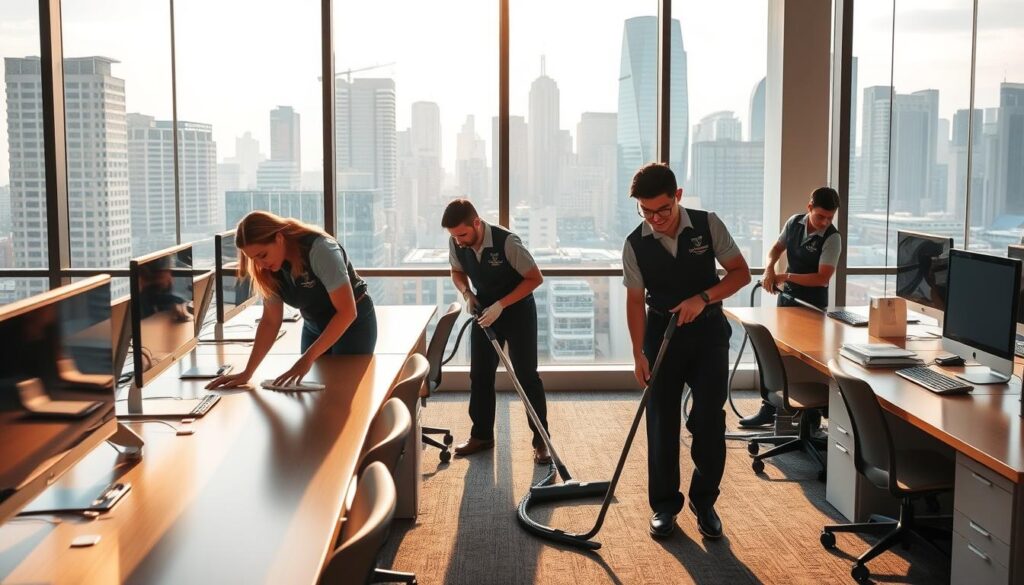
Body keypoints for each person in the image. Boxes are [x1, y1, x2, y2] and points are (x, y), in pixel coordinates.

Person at [622, 163, 751, 540]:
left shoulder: (708, 224)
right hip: (661, 333)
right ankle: (664, 505)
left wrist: (703, 297)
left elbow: (740, 273)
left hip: (708, 332)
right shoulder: (634, 243)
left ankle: (704, 501)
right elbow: (635, 301)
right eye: (646, 211)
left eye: (662, 209)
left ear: (677, 196)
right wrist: (637, 353)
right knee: (662, 420)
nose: (655, 219)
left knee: (708, 419)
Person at [207, 211, 376, 390]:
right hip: (314, 325)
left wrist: (307, 358)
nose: (260, 264)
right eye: (253, 259)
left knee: (343, 390)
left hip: (353, 325)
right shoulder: (267, 270)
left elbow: (347, 312)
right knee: (315, 395)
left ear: (279, 238)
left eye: (262, 255)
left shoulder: (321, 249)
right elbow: (271, 321)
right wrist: (247, 373)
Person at [441, 199, 552, 465]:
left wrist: (502, 305)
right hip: (484, 311)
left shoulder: (507, 242)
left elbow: (535, 278)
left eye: (462, 234)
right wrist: (467, 293)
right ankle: (481, 435)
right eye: (454, 236)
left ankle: (542, 441)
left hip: (517, 312)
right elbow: (456, 271)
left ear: (476, 223)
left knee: (527, 377)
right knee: (480, 374)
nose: (458, 241)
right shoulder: (457, 242)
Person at [740, 186, 841, 428]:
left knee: (806, 360)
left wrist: (785, 276)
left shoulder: (832, 238)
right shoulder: (794, 222)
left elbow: (822, 278)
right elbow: (776, 248)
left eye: (830, 217)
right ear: (809, 208)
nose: (825, 222)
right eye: (820, 216)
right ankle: (769, 407)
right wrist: (769, 269)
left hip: (811, 306)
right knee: (775, 354)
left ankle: (810, 418)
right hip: (786, 300)